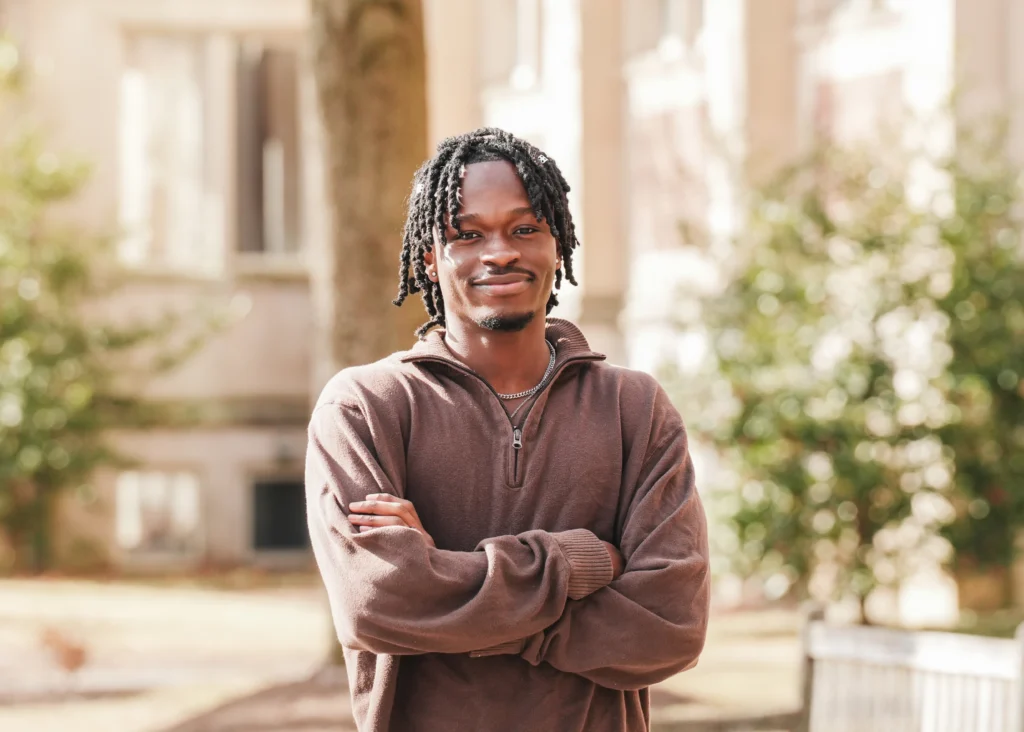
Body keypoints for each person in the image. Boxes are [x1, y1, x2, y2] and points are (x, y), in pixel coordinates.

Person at [306, 128, 709, 732]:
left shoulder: (634, 409)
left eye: (525, 229)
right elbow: (377, 601)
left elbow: (670, 626)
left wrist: (452, 590)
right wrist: (576, 563)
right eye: (467, 235)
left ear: (557, 245)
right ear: (430, 258)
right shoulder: (367, 407)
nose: (499, 253)